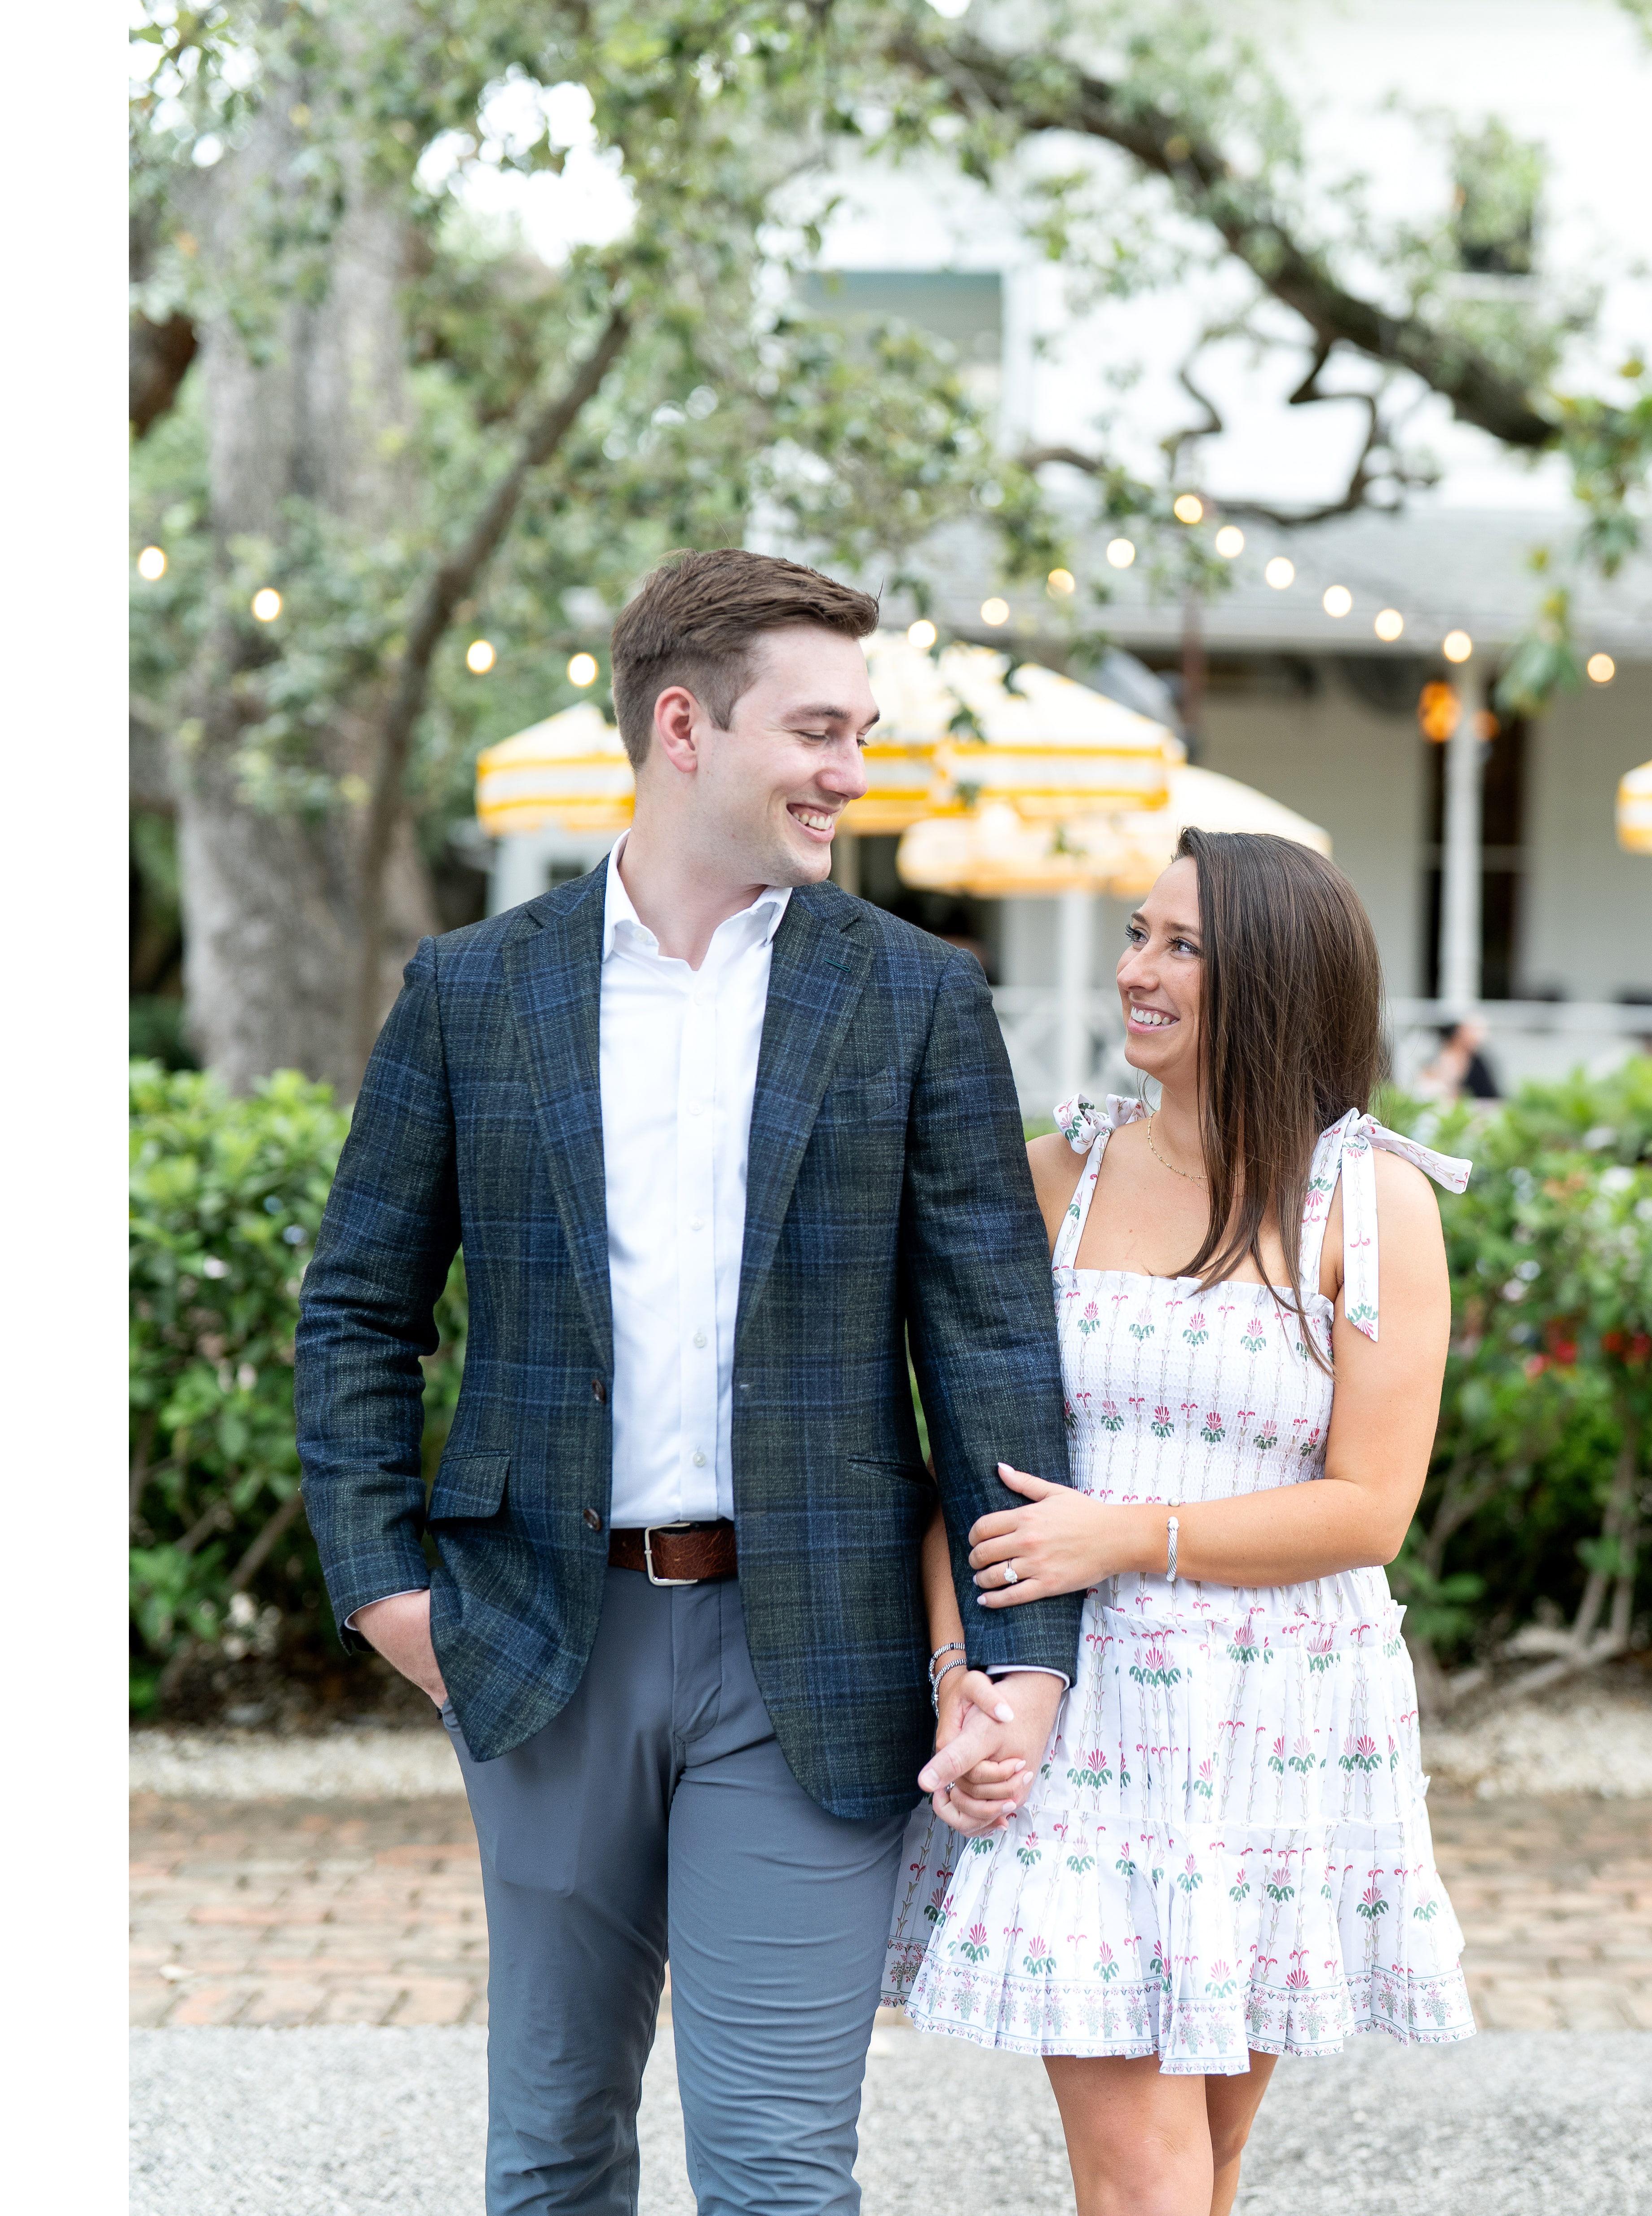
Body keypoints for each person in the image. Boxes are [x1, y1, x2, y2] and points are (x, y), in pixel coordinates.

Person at [295, 548, 1077, 2216]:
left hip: (817, 1655)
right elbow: (358, 1309)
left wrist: (1021, 1661)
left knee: (779, 2171)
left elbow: (993, 1350)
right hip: (537, 1637)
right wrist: (386, 1595)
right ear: (682, 727)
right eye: (818, 730)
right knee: (552, 2154)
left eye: (861, 733)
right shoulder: (473, 991)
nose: (850, 772)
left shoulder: (916, 996)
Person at [889, 829, 1477, 2216]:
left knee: (1207, 2160)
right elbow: (973, 1469)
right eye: (1138, 935)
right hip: (1085, 1703)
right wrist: (962, 1671)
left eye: (1182, 946)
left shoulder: (1372, 1203)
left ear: (1274, 979)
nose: (1135, 971)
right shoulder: (1055, 1177)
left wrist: (1130, 1535)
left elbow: (1371, 1507)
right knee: (1145, 2174)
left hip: (1281, 1714)